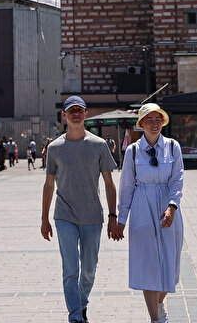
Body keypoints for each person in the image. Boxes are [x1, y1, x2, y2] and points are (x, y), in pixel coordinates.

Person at [41, 95, 121, 323]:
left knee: (88, 270)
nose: (75, 114)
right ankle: (75, 316)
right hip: (64, 216)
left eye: (80, 110)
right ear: (64, 116)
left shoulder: (99, 145)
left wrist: (112, 215)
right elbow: (48, 184)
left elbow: (109, 183)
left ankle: (82, 303)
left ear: (86, 115)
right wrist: (44, 219)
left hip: (92, 217)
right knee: (70, 270)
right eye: (71, 111)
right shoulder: (55, 148)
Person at [113, 103, 184, 323]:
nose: (154, 124)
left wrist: (172, 207)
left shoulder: (173, 147)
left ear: (163, 122)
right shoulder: (133, 151)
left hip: (167, 207)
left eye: (158, 119)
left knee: (170, 265)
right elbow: (126, 186)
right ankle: (155, 318)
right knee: (147, 264)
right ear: (141, 123)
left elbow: (177, 180)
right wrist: (121, 219)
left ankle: (160, 302)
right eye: (149, 120)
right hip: (142, 208)